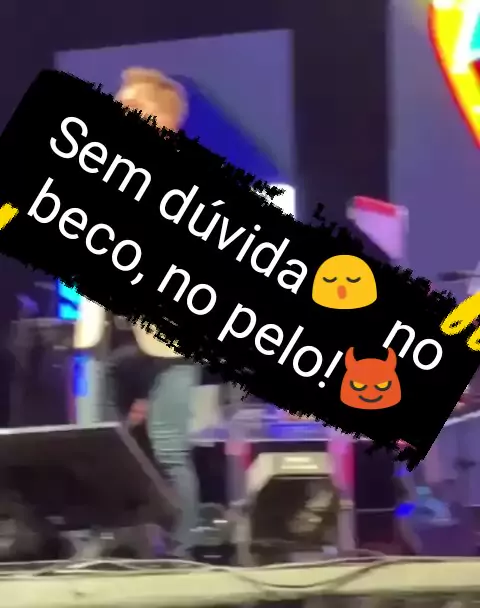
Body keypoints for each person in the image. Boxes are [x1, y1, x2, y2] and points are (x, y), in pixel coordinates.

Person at [109, 68, 200, 558]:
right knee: (100, 450)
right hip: (107, 337)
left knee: (168, 449)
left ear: (159, 118)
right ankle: (115, 547)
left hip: (167, 338)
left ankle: (183, 553)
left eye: (129, 106)